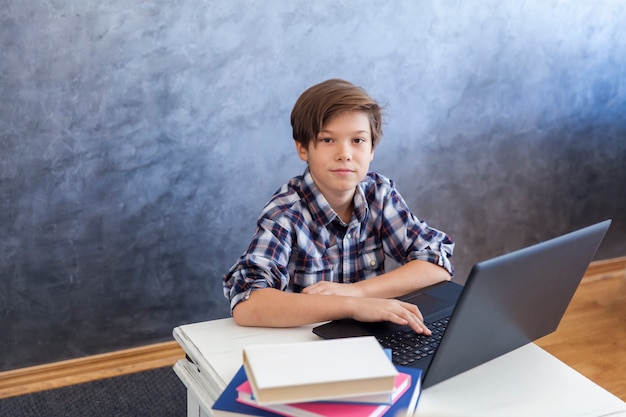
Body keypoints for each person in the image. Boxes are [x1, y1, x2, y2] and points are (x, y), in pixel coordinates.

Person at [223, 79, 454, 335]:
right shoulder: (286, 214)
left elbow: (437, 263)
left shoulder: (379, 194)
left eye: (357, 141)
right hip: (304, 343)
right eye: (328, 140)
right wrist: (350, 306)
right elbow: (248, 303)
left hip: (368, 337)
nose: (345, 153)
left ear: (372, 149)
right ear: (303, 148)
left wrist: (358, 292)